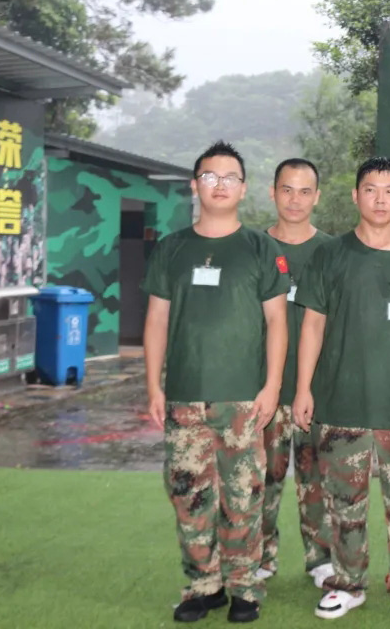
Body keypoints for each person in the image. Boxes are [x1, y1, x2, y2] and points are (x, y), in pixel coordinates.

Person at [292, 157, 390, 629]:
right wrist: (303, 388)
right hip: (340, 403)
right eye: (371, 190)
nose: (380, 199)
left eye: (389, 191)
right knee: (344, 504)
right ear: (356, 195)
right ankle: (347, 583)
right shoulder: (330, 254)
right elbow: (312, 325)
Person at [143, 141, 289, 624]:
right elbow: (157, 320)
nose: (220, 185)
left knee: (244, 495)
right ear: (195, 185)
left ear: (243, 189)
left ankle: (244, 586)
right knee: (190, 494)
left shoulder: (261, 248)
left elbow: (277, 322)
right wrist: (154, 386)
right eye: (210, 176)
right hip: (185, 395)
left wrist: (272, 386)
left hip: (245, 399)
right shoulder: (172, 248)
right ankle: (203, 585)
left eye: (230, 178)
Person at [257, 158, 335, 588]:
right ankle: (260, 557)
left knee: (315, 479)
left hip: (316, 391)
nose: (295, 200)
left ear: (317, 197)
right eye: (287, 189)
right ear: (273, 192)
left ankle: (320, 558)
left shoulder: (333, 252)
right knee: (261, 479)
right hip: (263, 390)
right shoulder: (254, 248)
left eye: (305, 191)